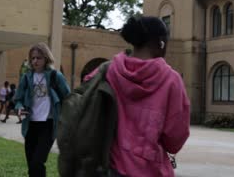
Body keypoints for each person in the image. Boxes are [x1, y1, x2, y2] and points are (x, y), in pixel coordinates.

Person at [89, 16, 190, 177]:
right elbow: (175, 139)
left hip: (109, 167)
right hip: (150, 170)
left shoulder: (110, 70)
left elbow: (87, 98)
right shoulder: (171, 80)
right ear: (161, 42)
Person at [13, 42, 70, 177]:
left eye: (39, 58)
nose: (35, 61)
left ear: (46, 58)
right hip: (30, 125)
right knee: (31, 164)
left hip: (48, 125)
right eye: (32, 58)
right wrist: (20, 108)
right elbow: (18, 99)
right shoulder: (27, 78)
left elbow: (68, 97)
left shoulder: (56, 76)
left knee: (37, 162)